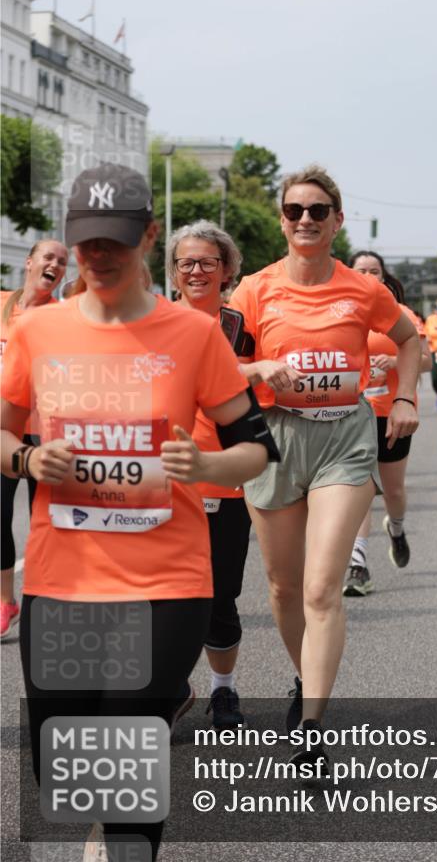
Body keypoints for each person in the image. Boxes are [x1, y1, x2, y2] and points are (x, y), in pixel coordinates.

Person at [1, 163, 273, 861]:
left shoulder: (192, 335)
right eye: (87, 243)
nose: (99, 257)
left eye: (116, 243)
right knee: (62, 772)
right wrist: (26, 461)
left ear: (148, 237)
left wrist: (207, 465)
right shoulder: (38, 332)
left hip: (166, 583)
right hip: (63, 583)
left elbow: (256, 449)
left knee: (122, 771)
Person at [229, 164, 420, 754]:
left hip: (345, 435)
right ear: (282, 221)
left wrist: (407, 397)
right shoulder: (254, 291)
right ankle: (304, 674)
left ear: (337, 220)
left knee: (320, 589)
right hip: (276, 439)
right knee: (283, 589)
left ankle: (312, 728)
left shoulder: (363, 289)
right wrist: (257, 369)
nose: (305, 220)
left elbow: (411, 338)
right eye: (294, 211)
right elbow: (212, 367)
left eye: (317, 211)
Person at [168, 220, 253, 729]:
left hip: (228, 481)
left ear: (227, 270)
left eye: (207, 262)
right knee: (163, 596)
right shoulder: (152, 320)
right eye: (186, 263)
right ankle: (173, 688)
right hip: (164, 482)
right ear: (175, 272)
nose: (196, 271)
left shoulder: (243, 326)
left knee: (220, 597)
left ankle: (224, 690)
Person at [343, 251, 430, 597]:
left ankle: (396, 528)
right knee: (362, 487)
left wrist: (394, 361)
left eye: (373, 270)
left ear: (383, 276)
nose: (367, 274)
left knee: (392, 491)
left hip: (392, 413)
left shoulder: (402, 315)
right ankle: (357, 564)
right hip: (351, 413)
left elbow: (425, 361)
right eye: (360, 269)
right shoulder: (340, 314)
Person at [0, 239, 68, 640]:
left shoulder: (64, 318)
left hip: (48, 434)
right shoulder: (3, 304)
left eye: (62, 262)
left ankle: (47, 603)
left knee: (49, 525)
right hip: (5, 432)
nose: (55, 265)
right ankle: (6, 599)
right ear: (29, 262)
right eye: (48, 257)